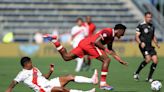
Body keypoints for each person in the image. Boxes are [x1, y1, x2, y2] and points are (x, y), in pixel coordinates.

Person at [43, 24, 128, 91]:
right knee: (106, 59)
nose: (123, 34)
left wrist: (118, 59)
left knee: (66, 57)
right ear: (120, 30)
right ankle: (103, 84)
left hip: (84, 43)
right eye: (123, 32)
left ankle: (54, 40)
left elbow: (110, 49)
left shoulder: (111, 37)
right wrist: (105, 49)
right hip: (89, 44)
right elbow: (97, 42)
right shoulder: (108, 31)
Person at [6, 57, 98, 92]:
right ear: (26, 64)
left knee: (69, 77)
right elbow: (14, 82)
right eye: (30, 62)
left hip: (49, 83)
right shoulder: (22, 74)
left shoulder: (34, 69)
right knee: (62, 90)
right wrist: (9, 90)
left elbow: (44, 77)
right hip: (42, 90)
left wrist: (50, 71)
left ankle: (92, 80)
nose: (31, 63)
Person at [133, 12, 160, 82]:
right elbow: (136, 37)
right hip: (143, 46)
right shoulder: (140, 26)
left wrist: (156, 43)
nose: (150, 19)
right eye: (148, 17)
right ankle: (136, 73)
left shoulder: (152, 26)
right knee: (148, 59)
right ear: (145, 17)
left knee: (155, 60)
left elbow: (153, 36)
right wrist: (140, 42)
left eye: (151, 17)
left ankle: (149, 77)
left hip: (150, 46)